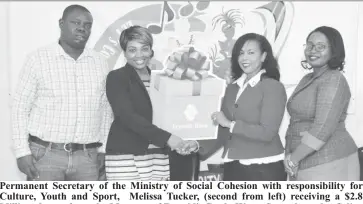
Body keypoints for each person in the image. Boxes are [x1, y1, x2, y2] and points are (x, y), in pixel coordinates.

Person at [11, 5, 113, 181]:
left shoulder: (100, 63)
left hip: (87, 158)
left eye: (87, 25)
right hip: (44, 156)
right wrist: (21, 152)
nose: (82, 28)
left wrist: (103, 149)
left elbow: (105, 110)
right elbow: (20, 107)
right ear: (61, 23)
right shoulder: (38, 59)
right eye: (76, 22)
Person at [105, 25, 199, 181]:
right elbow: (127, 116)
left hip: (158, 157)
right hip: (126, 157)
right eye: (132, 50)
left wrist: (186, 140)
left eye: (144, 49)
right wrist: (169, 138)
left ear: (151, 51)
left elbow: (178, 115)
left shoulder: (163, 80)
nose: (139, 55)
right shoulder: (117, 77)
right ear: (125, 53)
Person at [199, 33, 287, 181]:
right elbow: (223, 130)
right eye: (241, 53)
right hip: (232, 164)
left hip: (264, 167)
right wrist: (196, 149)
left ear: (264, 56)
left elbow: (267, 132)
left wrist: (230, 124)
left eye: (251, 53)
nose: (244, 58)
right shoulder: (233, 88)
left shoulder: (272, 86)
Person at [284, 26, 359, 180]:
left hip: (329, 160)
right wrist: (290, 157)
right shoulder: (308, 78)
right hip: (301, 160)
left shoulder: (334, 79)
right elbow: (296, 122)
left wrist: (293, 159)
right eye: (310, 45)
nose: (313, 50)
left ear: (334, 51)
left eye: (321, 46)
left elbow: (322, 128)